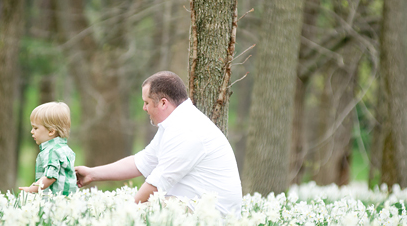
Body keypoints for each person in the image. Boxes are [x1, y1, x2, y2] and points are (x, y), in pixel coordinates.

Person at [75, 71, 242, 216]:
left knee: (128, 218)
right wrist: (92, 174)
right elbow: (141, 162)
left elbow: (156, 184)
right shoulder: (174, 125)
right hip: (188, 206)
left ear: (163, 103)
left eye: (146, 102)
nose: (144, 108)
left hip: (210, 215)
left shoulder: (187, 129)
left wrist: (124, 213)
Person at [19, 102, 77, 195]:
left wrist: (31, 189)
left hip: (55, 202)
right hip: (67, 201)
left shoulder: (52, 151)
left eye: (35, 128)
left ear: (51, 131)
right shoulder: (64, 148)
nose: (31, 131)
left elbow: (50, 177)